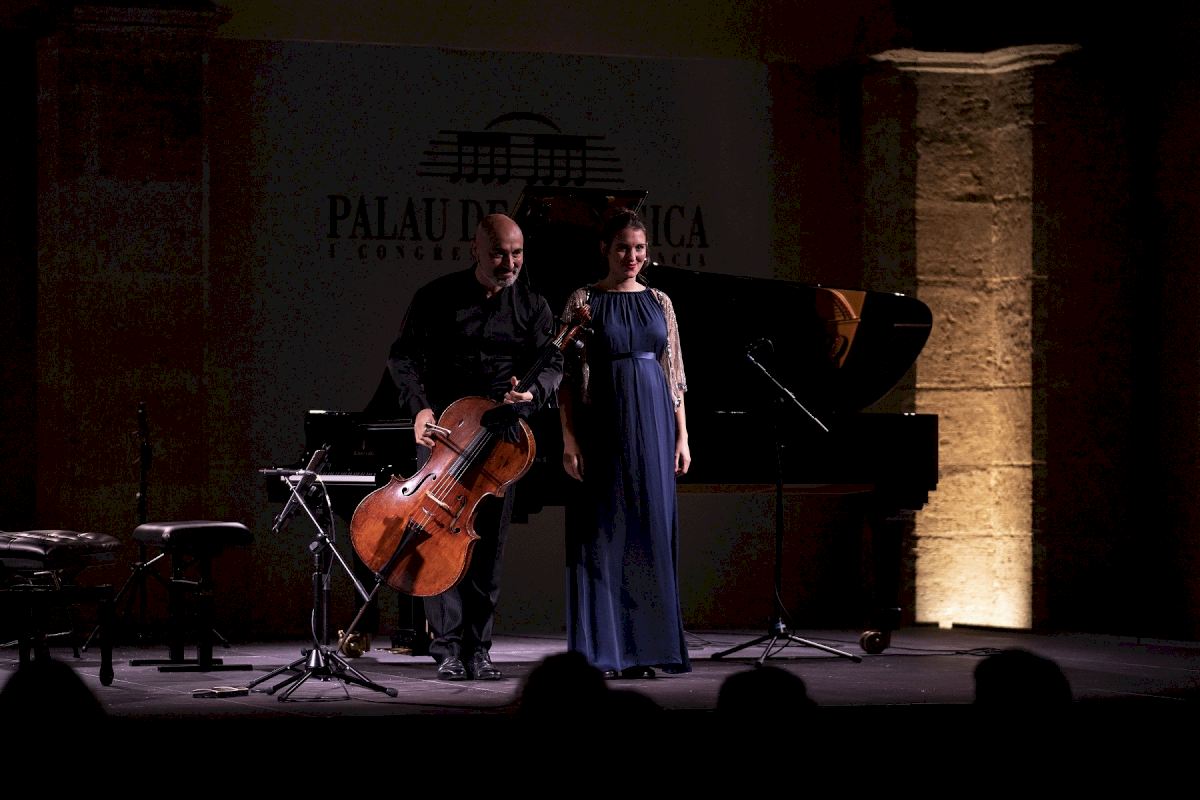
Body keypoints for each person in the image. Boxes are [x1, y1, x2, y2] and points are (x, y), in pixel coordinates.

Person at [385, 213, 563, 681]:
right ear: (476, 251)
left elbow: (552, 364)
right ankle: (447, 649)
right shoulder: (436, 297)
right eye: (500, 253)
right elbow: (403, 357)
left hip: (500, 441)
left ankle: (478, 649)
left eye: (517, 253)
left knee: (488, 546)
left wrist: (533, 393)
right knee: (437, 541)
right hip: (445, 435)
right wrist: (419, 409)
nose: (510, 263)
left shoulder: (533, 306)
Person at [558, 208, 692, 680]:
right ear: (605, 250)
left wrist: (682, 435)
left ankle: (647, 650)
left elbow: (673, 372)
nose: (632, 257)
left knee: (649, 531)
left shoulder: (660, 302)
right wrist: (569, 439)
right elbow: (565, 378)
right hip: (604, 422)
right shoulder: (584, 300)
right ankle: (604, 653)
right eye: (622, 248)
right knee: (605, 532)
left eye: (639, 248)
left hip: (655, 423)